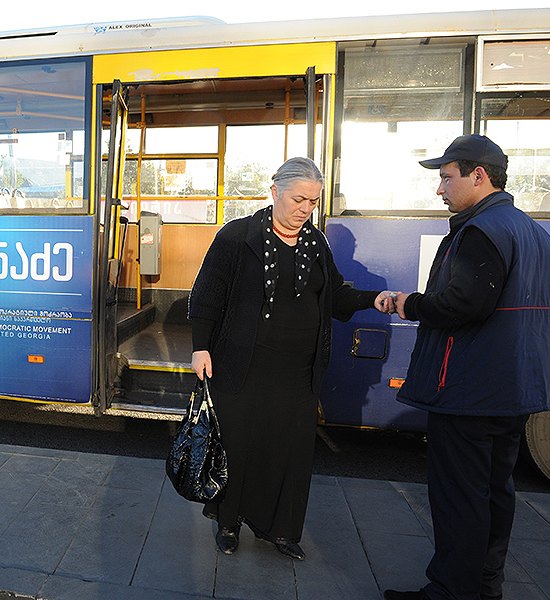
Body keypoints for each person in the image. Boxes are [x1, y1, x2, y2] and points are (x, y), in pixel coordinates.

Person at [188, 157, 394, 559]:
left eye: (312, 202)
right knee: (238, 445)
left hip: (299, 371)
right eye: (298, 199)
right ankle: (228, 524)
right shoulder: (238, 236)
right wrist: (200, 347)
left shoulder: (315, 243)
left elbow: (336, 296)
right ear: (274, 191)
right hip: (242, 365)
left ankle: (280, 530)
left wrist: (376, 299)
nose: (305, 208)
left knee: (290, 451)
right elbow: (206, 295)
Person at [383, 135, 550, 600]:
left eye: (445, 177)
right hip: (512, 389)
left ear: (478, 175)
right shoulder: (531, 230)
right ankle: (484, 587)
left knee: (461, 498)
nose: (440, 189)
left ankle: (452, 591)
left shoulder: (481, 230)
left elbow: (464, 303)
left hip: (469, 390)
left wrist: (408, 303)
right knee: (496, 494)